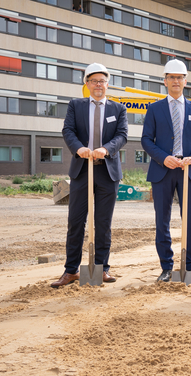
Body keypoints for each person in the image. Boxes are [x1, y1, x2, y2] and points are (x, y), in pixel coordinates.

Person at [52, 63, 128, 288]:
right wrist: (78, 148)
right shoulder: (76, 105)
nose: (98, 85)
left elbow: (122, 135)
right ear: (87, 84)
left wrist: (107, 149)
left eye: (102, 81)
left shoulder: (118, 109)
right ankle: (71, 271)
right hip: (82, 170)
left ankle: (101, 268)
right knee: (76, 222)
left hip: (107, 171)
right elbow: (68, 130)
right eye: (94, 81)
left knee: (103, 223)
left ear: (107, 84)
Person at [142, 59, 191, 283]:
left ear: (185, 81)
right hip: (163, 171)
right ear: (164, 81)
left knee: (190, 220)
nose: (175, 81)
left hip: (188, 171)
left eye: (179, 77)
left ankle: (190, 267)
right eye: (171, 77)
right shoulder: (154, 109)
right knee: (162, 220)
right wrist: (164, 158)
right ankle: (167, 268)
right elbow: (146, 140)